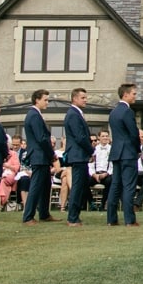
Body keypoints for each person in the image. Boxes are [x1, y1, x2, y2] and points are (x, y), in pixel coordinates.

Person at [106, 83, 142, 227]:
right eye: (133, 94)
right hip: (127, 153)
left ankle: (111, 219)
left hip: (116, 153)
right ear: (125, 94)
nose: (135, 96)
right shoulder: (127, 112)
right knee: (128, 186)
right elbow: (133, 133)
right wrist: (137, 149)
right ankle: (129, 219)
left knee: (115, 185)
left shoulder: (113, 112)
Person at [21, 90, 54, 222]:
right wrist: (52, 155)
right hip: (39, 155)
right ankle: (28, 216)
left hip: (42, 156)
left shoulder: (36, 115)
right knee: (36, 185)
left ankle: (44, 213)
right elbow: (41, 138)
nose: (47, 102)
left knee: (46, 185)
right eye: (45, 100)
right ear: (37, 100)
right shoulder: (34, 115)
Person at [63, 89, 93, 226]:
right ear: (74, 98)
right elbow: (80, 137)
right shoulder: (73, 114)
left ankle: (75, 215)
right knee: (77, 186)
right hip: (78, 155)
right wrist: (91, 150)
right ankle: (72, 217)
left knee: (81, 185)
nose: (85, 100)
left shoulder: (76, 114)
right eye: (83, 97)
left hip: (79, 155)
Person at [0, 134, 25, 210]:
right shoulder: (7, 153)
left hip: (19, 173)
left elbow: (20, 167)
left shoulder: (24, 152)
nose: (15, 147)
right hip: (7, 174)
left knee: (23, 179)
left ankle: (1, 203)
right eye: (13, 145)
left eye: (17, 145)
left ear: (21, 144)